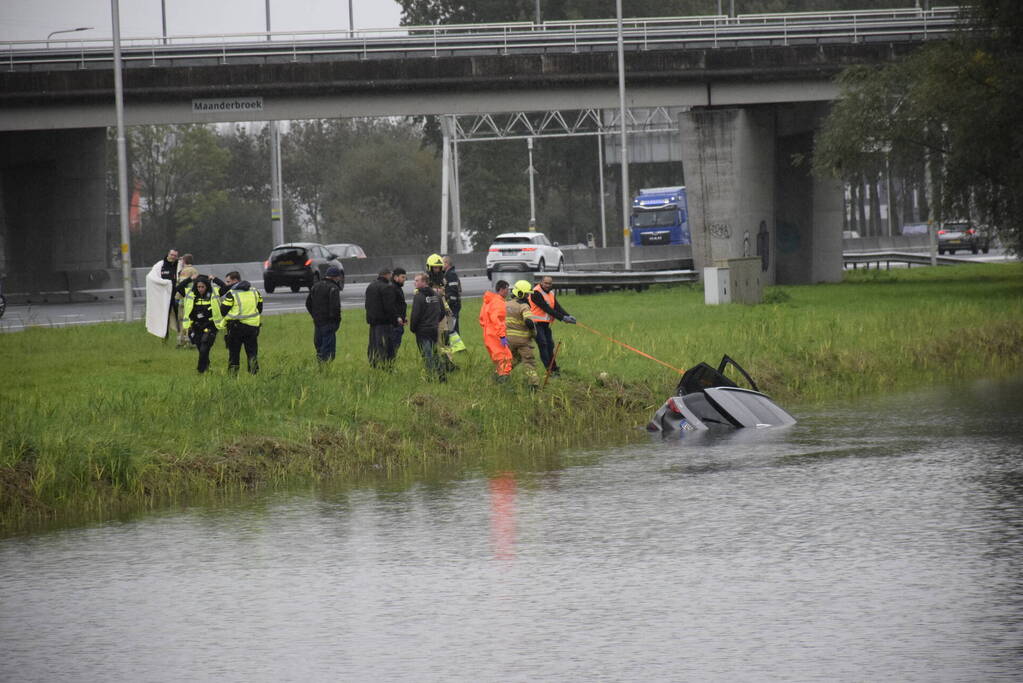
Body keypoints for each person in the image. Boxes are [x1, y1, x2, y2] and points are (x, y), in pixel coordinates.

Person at [529, 275, 577, 377]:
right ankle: (549, 370)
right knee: (543, 345)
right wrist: (562, 318)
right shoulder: (535, 292)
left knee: (550, 346)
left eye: (549, 283)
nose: (547, 285)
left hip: (546, 324)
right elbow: (547, 309)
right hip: (536, 324)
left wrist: (568, 316)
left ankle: (554, 369)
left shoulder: (551, 293)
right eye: (545, 283)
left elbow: (557, 307)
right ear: (541, 282)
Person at [218, 270, 263, 375]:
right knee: (252, 353)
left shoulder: (232, 294)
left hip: (236, 328)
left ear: (235, 281)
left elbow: (223, 311)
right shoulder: (254, 291)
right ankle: (254, 375)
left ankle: (232, 376)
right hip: (253, 327)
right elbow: (259, 308)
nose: (227, 284)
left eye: (228, 282)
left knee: (234, 354)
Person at [179, 274, 223, 373]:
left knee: (204, 346)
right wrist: (190, 279)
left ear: (207, 286)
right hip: (196, 325)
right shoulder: (191, 294)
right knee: (201, 348)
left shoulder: (214, 292)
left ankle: (200, 370)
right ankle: (207, 367)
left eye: (202, 287)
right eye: (198, 287)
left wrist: (215, 279)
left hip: (210, 325)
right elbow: (178, 288)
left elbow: (225, 288)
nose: (200, 289)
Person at [408, 272, 447, 382]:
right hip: (433, 329)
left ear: (424, 282)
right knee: (434, 353)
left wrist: (413, 328)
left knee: (427, 355)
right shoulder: (436, 295)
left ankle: (430, 378)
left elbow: (415, 314)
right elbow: (442, 312)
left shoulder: (419, 296)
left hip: (422, 330)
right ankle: (442, 376)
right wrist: (435, 322)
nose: (414, 283)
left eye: (417, 280)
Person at [505, 280, 540, 390]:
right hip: (523, 341)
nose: (528, 296)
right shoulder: (524, 306)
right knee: (528, 362)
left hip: (508, 340)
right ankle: (534, 385)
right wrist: (534, 333)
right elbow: (529, 322)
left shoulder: (506, 304)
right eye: (527, 294)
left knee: (512, 359)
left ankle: (500, 376)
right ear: (522, 293)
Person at [305, 264, 343, 363]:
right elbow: (335, 307)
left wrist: (314, 315)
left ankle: (320, 364)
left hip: (317, 321)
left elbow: (308, 303)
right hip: (329, 322)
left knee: (319, 345)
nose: (339, 278)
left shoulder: (316, 286)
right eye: (339, 276)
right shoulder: (333, 288)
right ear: (336, 277)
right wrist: (337, 321)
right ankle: (326, 367)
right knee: (328, 348)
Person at [479, 280, 513, 383]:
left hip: (488, 334)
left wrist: (487, 330)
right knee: (505, 357)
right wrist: (502, 336)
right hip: (496, 334)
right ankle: (503, 382)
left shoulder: (488, 301)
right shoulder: (499, 302)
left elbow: (481, 318)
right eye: (507, 289)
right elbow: (497, 320)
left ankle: (497, 379)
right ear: (502, 290)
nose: (508, 292)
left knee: (498, 358)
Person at [365, 267, 398, 368]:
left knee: (373, 345)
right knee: (385, 346)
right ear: (387, 275)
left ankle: (374, 364)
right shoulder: (387, 287)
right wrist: (395, 321)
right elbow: (390, 307)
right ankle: (386, 367)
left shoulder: (370, 286)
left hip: (373, 322)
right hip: (384, 323)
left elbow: (367, 305)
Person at [144, 248, 180, 339]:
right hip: (164, 297)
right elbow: (150, 277)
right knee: (165, 318)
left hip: (177, 296)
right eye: (172, 255)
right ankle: (165, 338)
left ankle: (181, 338)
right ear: (168, 254)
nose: (173, 257)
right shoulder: (160, 265)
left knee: (179, 317)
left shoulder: (179, 265)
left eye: (175, 256)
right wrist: (166, 283)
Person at [175, 254, 199, 347]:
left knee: (182, 320)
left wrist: (177, 297)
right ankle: (188, 340)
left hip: (183, 299)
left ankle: (183, 340)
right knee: (189, 320)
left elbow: (180, 284)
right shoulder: (193, 270)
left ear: (184, 261)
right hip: (190, 299)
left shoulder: (184, 271)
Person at [390, 267, 408, 355]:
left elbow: (401, 305)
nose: (404, 280)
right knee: (394, 345)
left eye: (405, 277)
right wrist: (397, 317)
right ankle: (389, 364)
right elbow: (391, 305)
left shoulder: (398, 287)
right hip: (395, 323)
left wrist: (404, 317)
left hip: (400, 321)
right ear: (396, 277)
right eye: (402, 277)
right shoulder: (393, 288)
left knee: (397, 343)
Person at [442, 255, 462, 334]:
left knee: (451, 329)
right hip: (452, 305)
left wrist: (448, 303)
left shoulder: (451, 274)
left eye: (441, 263)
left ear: (446, 264)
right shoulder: (448, 274)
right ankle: (456, 345)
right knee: (452, 328)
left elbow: (453, 291)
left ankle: (455, 345)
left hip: (452, 306)